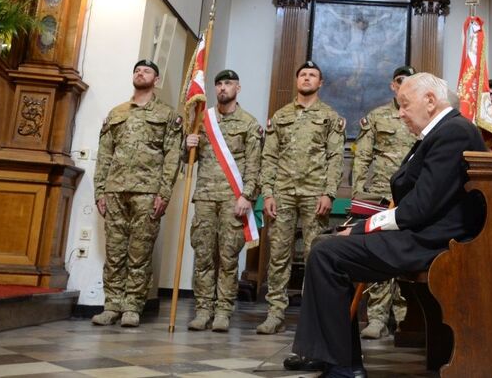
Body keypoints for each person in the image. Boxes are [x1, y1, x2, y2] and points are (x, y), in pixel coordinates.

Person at [291, 73, 486, 378]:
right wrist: (363, 226)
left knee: (328, 253)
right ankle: (334, 356)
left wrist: (359, 229)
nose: (400, 113)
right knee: (324, 246)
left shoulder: (454, 133)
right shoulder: (441, 133)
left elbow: (419, 207)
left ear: (431, 101)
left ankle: (341, 365)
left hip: (435, 242)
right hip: (424, 234)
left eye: (405, 104)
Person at [256, 60, 346, 334]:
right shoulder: (280, 116)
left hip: (314, 194)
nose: (307, 78)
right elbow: (269, 156)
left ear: (320, 83)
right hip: (282, 192)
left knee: (314, 255)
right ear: (297, 81)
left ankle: (311, 316)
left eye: (312, 75)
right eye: (303, 75)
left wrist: (329, 193)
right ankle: (275, 314)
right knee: (279, 254)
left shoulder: (330, 117)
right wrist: (268, 193)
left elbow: (335, 158)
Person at [91, 60, 181, 328]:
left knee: (139, 252)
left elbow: (172, 156)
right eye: (137, 70)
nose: (141, 73)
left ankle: (132, 306)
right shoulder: (117, 113)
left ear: (156, 80)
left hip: (147, 191)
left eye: (147, 71)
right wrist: (100, 190)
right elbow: (105, 154)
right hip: (115, 189)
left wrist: (164, 193)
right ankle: (112, 305)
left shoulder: (167, 115)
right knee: (115, 250)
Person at [185, 70, 263, 332]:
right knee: (204, 255)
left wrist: (247, 196)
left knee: (228, 258)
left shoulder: (249, 124)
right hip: (205, 197)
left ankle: (223, 311)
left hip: (233, 200)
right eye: (218, 84)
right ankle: (203, 308)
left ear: (238, 88)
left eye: (228, 83)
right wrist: (188, 145)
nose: (222, 88)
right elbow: (187, 160)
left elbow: (255, 166)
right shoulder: (201, 121)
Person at [351, 64, 417, 339]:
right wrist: (357, 190)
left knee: (406, 255)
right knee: (379, 252)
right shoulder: (377, 117)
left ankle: (404, 317)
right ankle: (377, 317)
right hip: (380, 193)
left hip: (412, 195)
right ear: (393, 85)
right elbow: (363, 156)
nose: (403, 84)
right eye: (400, 80)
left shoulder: (421, 115)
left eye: (409, 81)